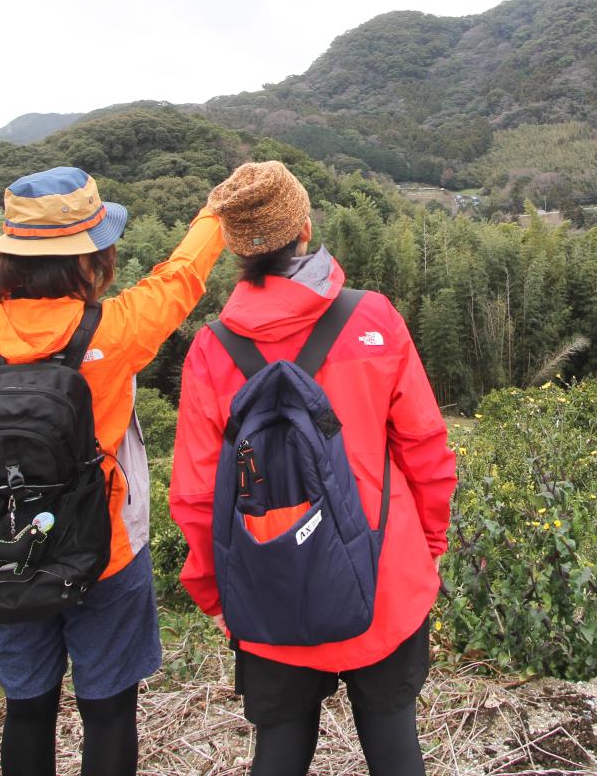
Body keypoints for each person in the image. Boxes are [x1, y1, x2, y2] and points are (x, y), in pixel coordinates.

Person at [0, 166, 224, 776]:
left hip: (2, 556)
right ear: (91, 259)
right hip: (105, 553)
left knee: (27, 709)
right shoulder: (112, 331)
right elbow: (181, 278)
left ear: (7, 257)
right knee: (109, 710)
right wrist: (215, 214)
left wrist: (7, 525)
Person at [169, 161, 457, 776]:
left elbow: (196, 493)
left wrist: (215, 592)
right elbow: (425, 447)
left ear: (237, 249)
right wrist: (429, 542)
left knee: (278, 746)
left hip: (268, 579)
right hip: (383, 574)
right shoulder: (373, 318)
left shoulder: (212, 349)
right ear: (304, 226)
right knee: (392, 736)